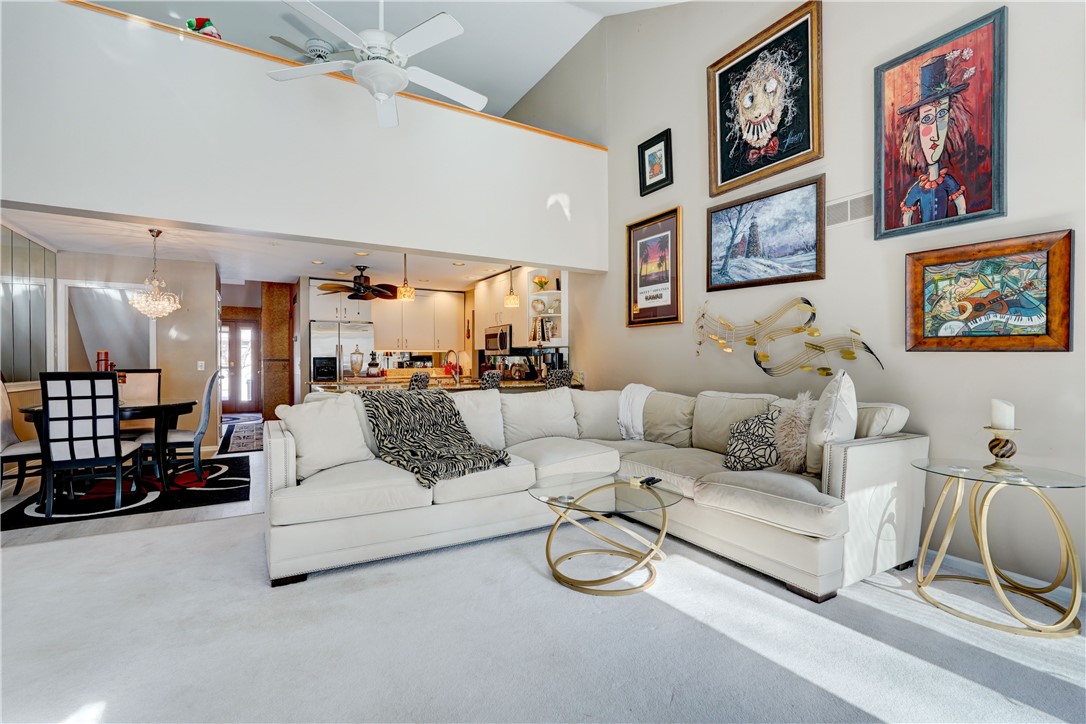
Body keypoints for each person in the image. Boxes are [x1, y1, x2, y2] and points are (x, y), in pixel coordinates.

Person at [897, 53, 975, 226]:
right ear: (916, 127)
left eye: (942, 115)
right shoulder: (918, 188)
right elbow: (907, 215)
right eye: (927, 119)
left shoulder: (947, 181)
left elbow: (961, 207)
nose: (935, 135)